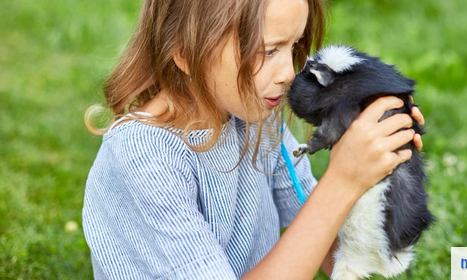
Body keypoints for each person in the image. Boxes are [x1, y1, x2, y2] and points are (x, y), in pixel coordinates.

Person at [82, 0, 425, 279]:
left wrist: (374, 167)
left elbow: (327, 246)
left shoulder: (258, 121)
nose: (289, 74)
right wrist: (342, 182)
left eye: (293, 47)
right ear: (185, 52)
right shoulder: (144, 155)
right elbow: (326, 207)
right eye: (268, 50)